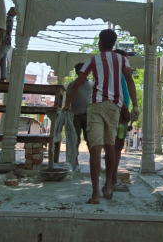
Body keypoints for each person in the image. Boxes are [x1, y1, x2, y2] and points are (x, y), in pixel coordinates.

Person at [62, 29, 138, 204]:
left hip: (96, 106)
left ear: (100, 43)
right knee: (111, 145)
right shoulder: (122, 60)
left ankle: (95, 193)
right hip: (114, 107)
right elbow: (130, 81)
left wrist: (67, 104)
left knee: (95, 147)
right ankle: (108, 185)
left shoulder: (93, 60)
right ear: (115, 42)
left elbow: (77, 84)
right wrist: (135, 105)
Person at [111, 49, 138, 192]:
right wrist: (125, 109)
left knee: (118, 145)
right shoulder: (116, 73)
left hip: (121, 113)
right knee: (117, 145)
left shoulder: (119, 73)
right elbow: (115, 93)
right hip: (120, 114)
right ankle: (112, 181)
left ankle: (112, 179)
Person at [65, 62, 93, 154]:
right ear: (76, 72)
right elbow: (68, 97)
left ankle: (93, 162)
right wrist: (67, 106)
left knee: (90, 139)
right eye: (80, 70)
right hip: (75, 115)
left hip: (88, 115)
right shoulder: (72, 85)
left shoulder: (91, 85)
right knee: (74, 139)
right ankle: (74, 161)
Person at [0, 6, 16, 82]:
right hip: (6, 43)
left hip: (5, 42)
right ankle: (3, 77)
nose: (9, 11)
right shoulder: (10, 19)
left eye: (11, 10)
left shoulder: (9, 18)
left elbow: (1, 18)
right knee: (2, 61)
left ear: (14, 13)